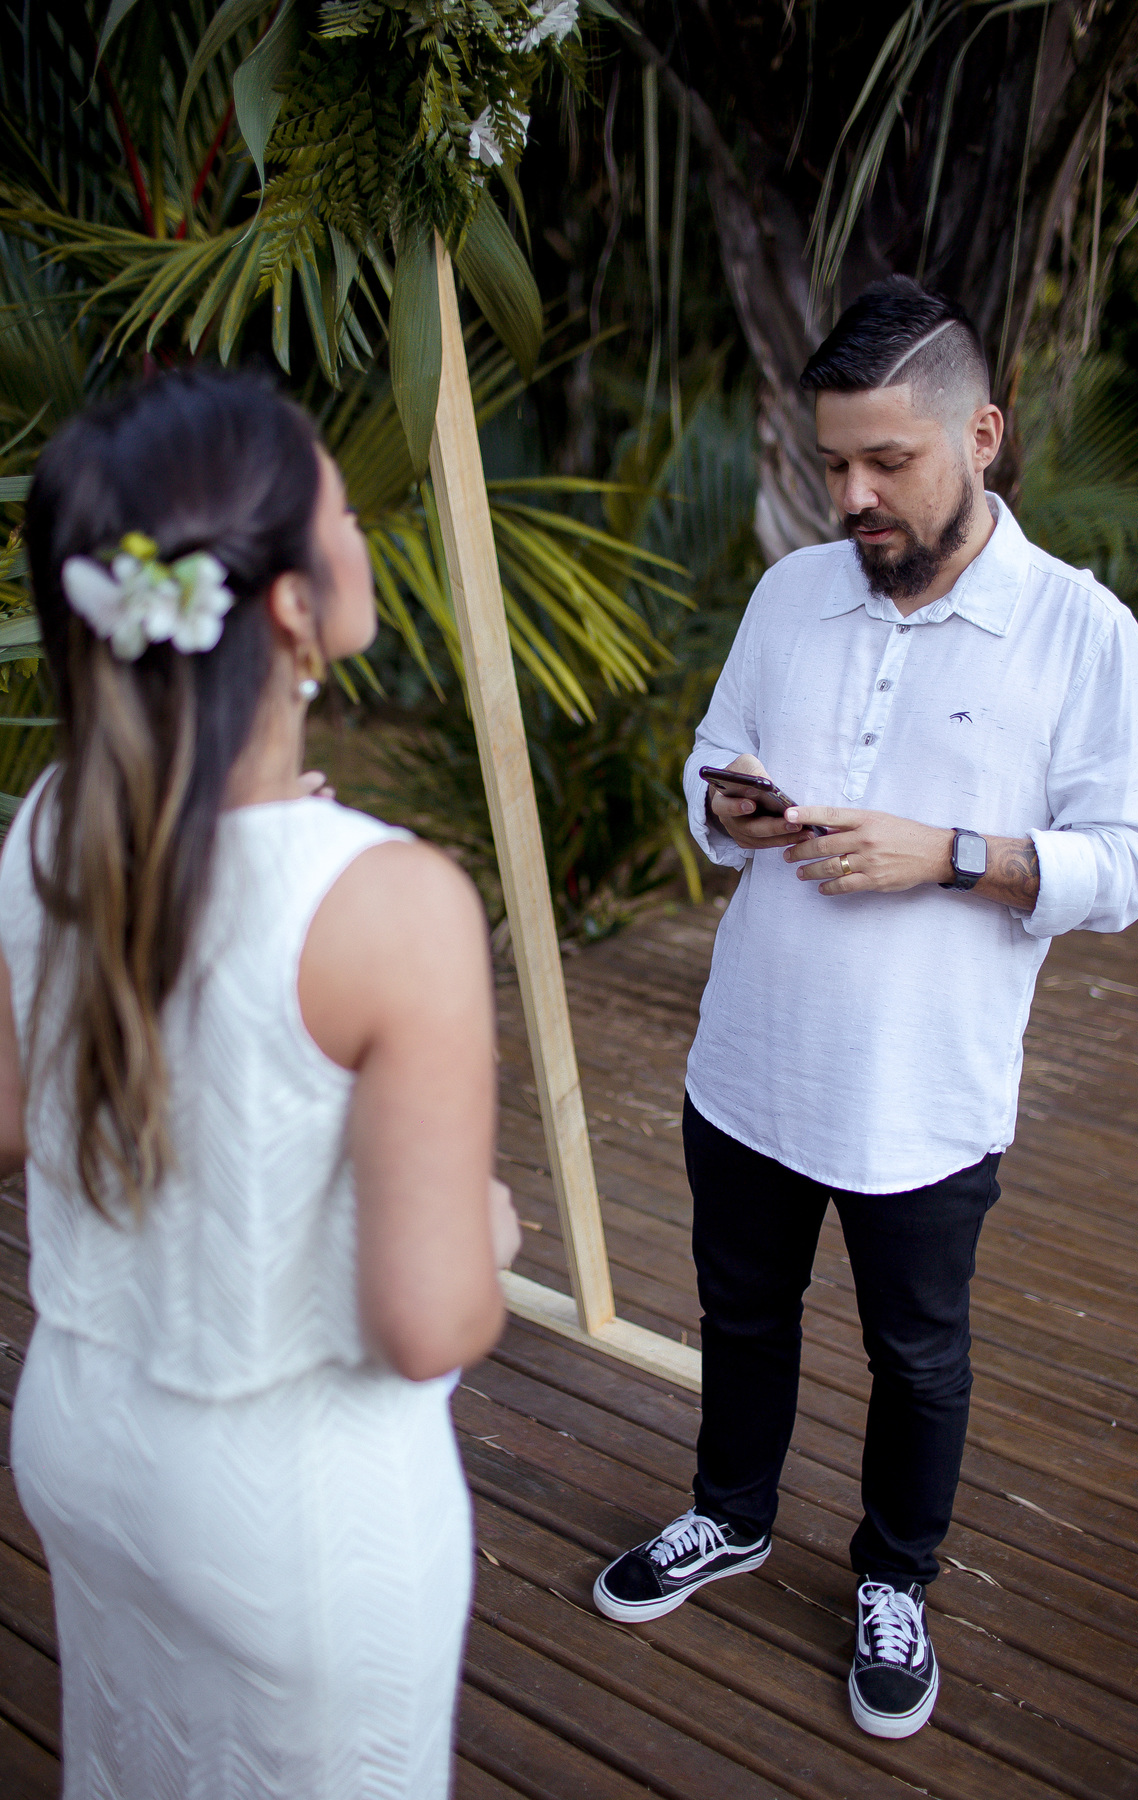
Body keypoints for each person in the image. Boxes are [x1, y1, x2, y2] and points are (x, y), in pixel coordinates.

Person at [593, 276, 1138, 1740]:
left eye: (887, 463)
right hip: (750, 1059)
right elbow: (719, 764)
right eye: (833, 462)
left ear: (982, 435)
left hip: (926, 1090)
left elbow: (1134, 861)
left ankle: (895, 1576)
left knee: (918, 1352)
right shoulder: (793, 590)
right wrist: (724, 800)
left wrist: (951, 854)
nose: (851, 495)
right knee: (744, 1310)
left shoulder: (1080, 631)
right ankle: (729, 1513)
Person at [0, 369, 521, 1798]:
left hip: (83, 1447)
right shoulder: (388, 903)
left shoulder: (49, 830)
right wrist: (489, 1231)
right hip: (289, 1522)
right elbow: (427, 1326)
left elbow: (9, 1116)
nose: (361, 530)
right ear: (292, 606)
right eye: (345, 509)